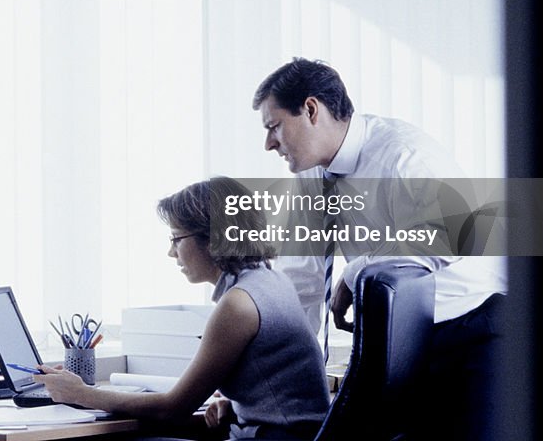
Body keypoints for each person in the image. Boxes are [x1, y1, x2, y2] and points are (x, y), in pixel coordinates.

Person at [252, 57, 507, 441]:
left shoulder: (404, 154)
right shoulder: (309, 174)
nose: (268, 143)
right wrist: (266, 379)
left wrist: (356, 272)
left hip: (471, 331)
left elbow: (453, 239)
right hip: (397, 338)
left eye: (274, 127)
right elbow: (302, 282)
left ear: (310, 109)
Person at [35, 176, 330, 441]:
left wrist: (83, 394)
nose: (171, 252)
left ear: (213, 239)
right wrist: (239, 406)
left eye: (176, 239)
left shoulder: (239, 304)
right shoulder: (272, 281)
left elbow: (173, 408)